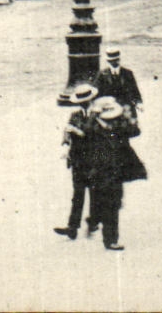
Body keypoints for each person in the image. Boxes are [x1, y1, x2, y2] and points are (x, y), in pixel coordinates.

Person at [84, 97, 146, 251]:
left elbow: (135, 131)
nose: (112, 121)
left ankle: (99, 226)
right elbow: (87, 131)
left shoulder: (119, 126)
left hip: (116, 170)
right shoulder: (95, 128)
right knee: (108, 203)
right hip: (100, 170)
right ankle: (109, 238)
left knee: (113, 202)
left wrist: (127, 117)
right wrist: (93, 116)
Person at [54, 84, 99, 240]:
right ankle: (72, 228)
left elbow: (95, 135)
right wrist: (66, 145)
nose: (83, 104)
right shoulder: (75, 115)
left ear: (90, 100)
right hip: (78, 159)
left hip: (94, 160)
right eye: (81, 102)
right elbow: (67, 131)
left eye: (85, 102)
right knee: (78, 194)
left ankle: (93, 221)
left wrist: (77, 131)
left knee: (94, 193)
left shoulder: (98, 115)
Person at [96, 48, 144, 119]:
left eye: (116, 60)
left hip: (126, 106)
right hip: (109, 108)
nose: (114, 62)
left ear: (119, 59)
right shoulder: (102, 74)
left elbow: (135, 91)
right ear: (108, 61)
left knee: (131, 123)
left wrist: (138, 103)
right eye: (111, 60)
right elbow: (97, 93)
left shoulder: (128, 73)